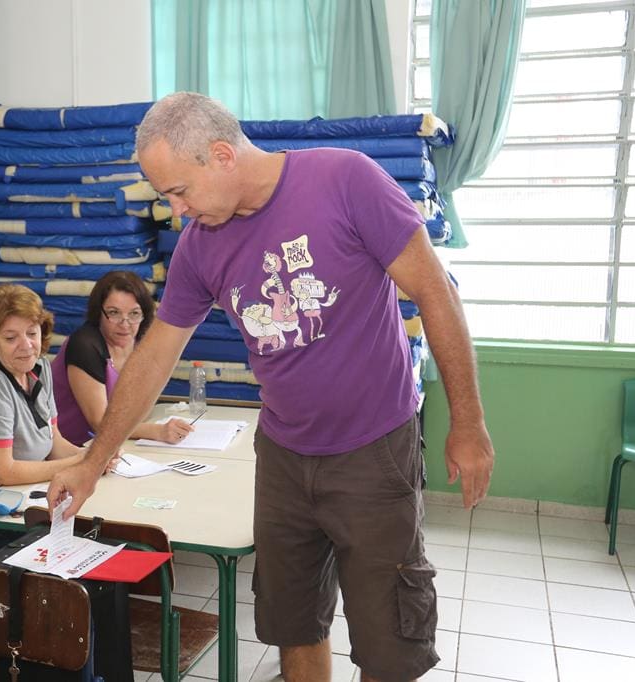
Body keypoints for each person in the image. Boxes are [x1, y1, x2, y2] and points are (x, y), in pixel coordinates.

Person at [47, 92, 495, 682]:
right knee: (293, 625)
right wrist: (90, 462)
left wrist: (468, 423)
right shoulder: (201, 245)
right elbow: (155, 355)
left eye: (179, 191)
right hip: (283, 456)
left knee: (390, 645)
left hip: (373, 450)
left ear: (222, 156)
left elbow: (436, 292)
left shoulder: (345, 180)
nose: (177, 211)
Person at [0, 283, 119, 560]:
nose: (26, 345)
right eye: (10, 338)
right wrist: (85, 463)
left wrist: (95, 456)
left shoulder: (40, 367)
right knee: (73, 551)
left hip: (15, 507)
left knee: (97, 536)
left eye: (32, 333)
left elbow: (53, 440)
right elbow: (1, 473)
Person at [50, 270, 195, 446]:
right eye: (114, 313)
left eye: (134, 314)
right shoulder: (84, 345)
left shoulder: (141, 342)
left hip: (116, 445)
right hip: (70, 449)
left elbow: (140, 408)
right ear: (99, 312)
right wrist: (158, 431)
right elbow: (100, 423)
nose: (125, 324)